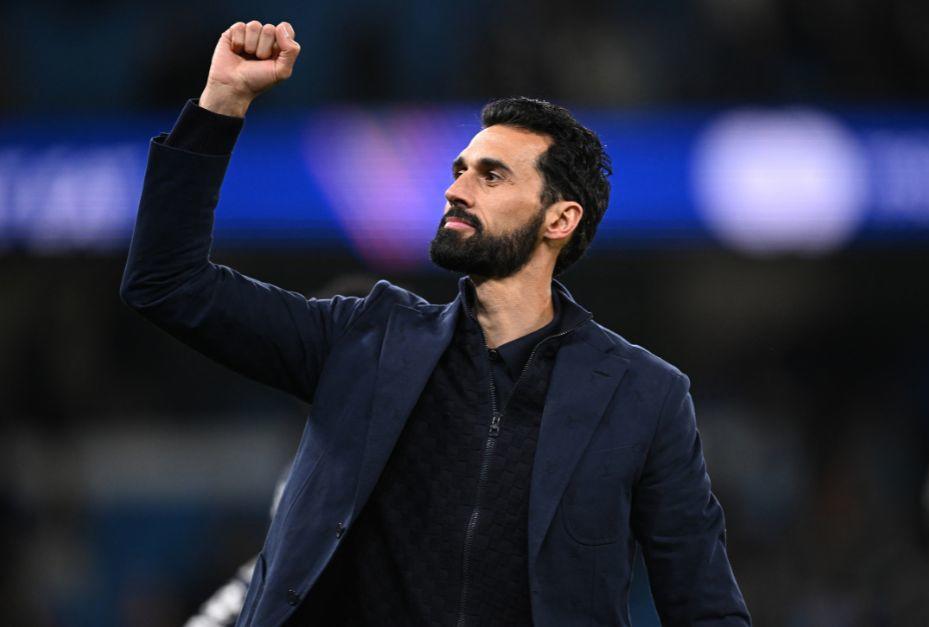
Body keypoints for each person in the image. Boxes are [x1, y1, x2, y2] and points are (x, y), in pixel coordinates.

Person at [119, 19, 750, 627]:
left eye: (491, 175)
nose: (456, 189)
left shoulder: (645, 395)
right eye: (459, 171)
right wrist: (221, 101)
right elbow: (166, 283)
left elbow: (702, 603)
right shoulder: (365, 338)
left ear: (559, 220)